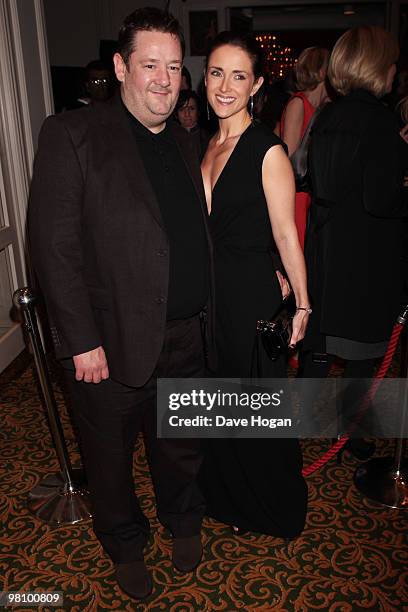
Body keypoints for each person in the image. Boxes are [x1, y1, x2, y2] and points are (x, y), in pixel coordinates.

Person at [28, 7, 215, 602]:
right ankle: (125, 543)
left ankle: (182, 521)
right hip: (106, 345)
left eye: (172, 68)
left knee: (180, 444)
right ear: (120, 67)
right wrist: (80, 338)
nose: (163, 80)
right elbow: (53, 248)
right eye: (148, 65)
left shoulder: (188, 141)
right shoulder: (72, 134)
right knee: (108, 461)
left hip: (186, 335)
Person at [199, 31, 310, 538]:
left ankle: (272, 507)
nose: (225, 85)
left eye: (238, 75)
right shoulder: (210, 142)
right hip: (214, 298)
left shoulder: (267, 151)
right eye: (216, 72)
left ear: (257, 84)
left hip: (249, 299)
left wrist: (303, 305)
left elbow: (286, 232)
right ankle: (229, 498)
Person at [300, 26, 408, 458]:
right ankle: (350, 435)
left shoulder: (329, 115)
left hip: (328, 248)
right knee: (364, 356)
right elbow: (382, 199)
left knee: (321, 345)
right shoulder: (380, 121)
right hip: (366, 255)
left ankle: (299, 423)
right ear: (380, 67)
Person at [280, 47, 329, 249]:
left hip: (313, 194)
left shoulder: (323, 107)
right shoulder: (298, 104)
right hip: (297, 196)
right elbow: (289, 161)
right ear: (320, 72)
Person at [174, 89, 209, 159]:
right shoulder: (170, 138)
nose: (187, 114)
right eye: (182, 109)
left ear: (198, 111)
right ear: (176, 114)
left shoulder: (207, 138)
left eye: (191, 108)